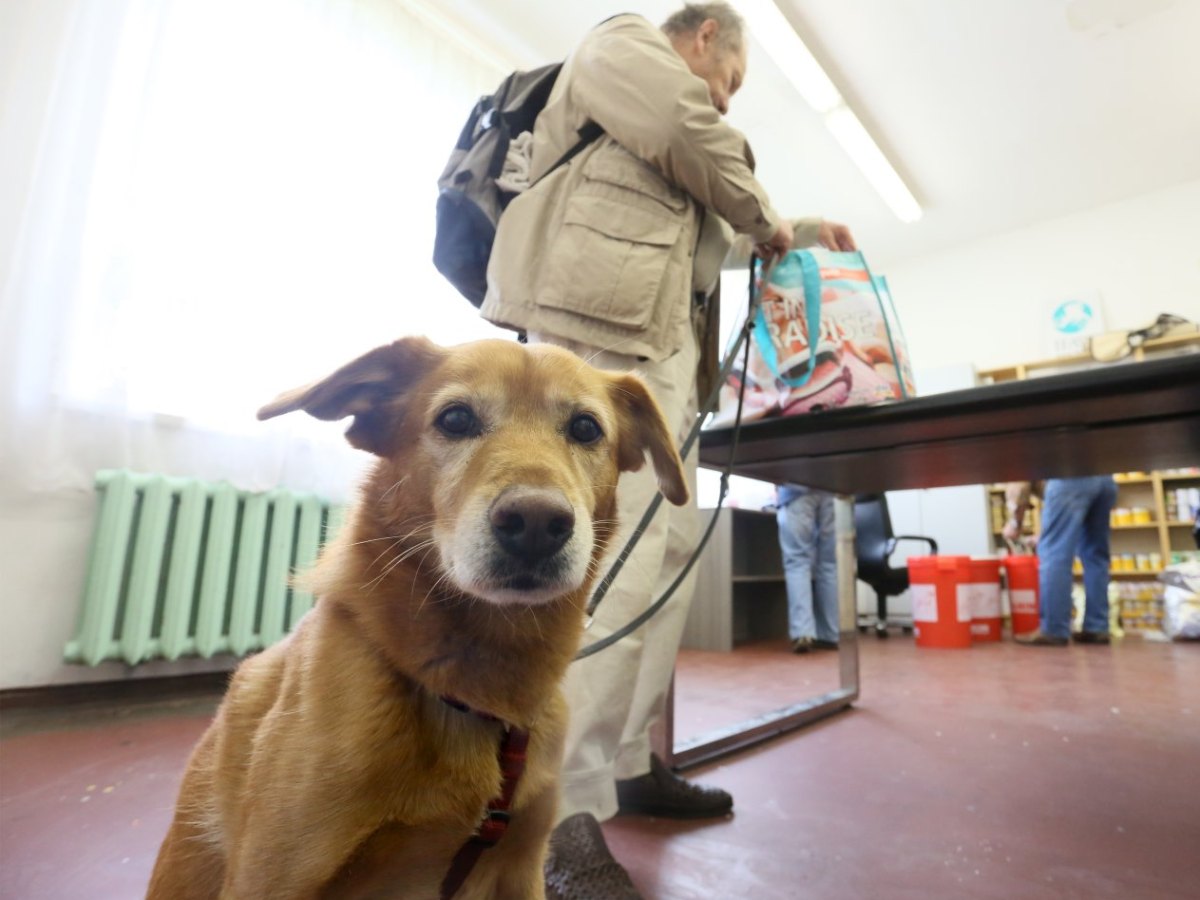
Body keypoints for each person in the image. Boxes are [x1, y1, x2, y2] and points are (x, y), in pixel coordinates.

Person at [482, 5, 856, 896]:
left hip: (666, 364)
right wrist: (766, 209)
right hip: (597, 339)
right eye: (731, 80)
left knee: (664, 571)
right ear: (701, 41)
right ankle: (558, 812)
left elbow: (723, 238)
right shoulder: (626, 48)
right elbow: (687, 129)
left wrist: (790, 231)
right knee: (610, 574)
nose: (726, 102)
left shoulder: (683, 159)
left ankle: (622, 767)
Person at [1004, 476, 1118, 645]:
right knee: (1095, 556)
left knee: (1053, 554)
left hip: (1068, 476)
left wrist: (1015, 524)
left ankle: (1054, 629)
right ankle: (1097, 627)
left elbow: (1019, 485)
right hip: (1105, 480)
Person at [776, 485, 839, 653]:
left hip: (796, 487)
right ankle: (830, 634)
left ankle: (802, 633)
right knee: (829, 564)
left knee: (797, 561)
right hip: (831, 488)